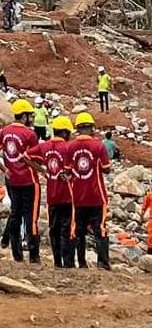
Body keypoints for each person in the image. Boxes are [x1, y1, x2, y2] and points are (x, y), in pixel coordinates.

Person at [0, 99, 41, 263]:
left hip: (12, 180)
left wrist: (5, 170)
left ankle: (17, 254)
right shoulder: (30, 134)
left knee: (15, 214)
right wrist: (41, 169)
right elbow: (34, 158)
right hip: (29, 180)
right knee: (31, 217)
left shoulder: (5, 132)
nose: (31, 119)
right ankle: (33, 255)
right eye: (29, 116)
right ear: (24, 116)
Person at [25, 116, 74, 268]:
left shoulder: (44, 146)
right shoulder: (68, 148)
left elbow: (26, 157)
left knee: (54, 229)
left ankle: (57, 261)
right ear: (65, 132)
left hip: (52, 195)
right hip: (67, 195)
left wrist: (43, 171)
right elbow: (74, 169)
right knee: (66, 229)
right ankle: (68, 262)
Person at [67, 112, 111, 270]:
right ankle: (103, 263)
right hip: (97, 196)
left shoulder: (70, 146)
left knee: (78, 231)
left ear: (77, 128)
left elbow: (67, 171)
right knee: (100, 229)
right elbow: (107, 169)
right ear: (91, 127)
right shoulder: (99, 146)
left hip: (77, 197)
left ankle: (81, 262)